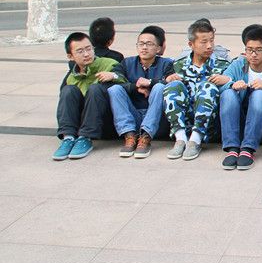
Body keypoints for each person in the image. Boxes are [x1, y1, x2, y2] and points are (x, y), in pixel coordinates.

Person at [163, 19, 230, 161]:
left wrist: (228, 80)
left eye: (211, 41)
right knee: (173, 85)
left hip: (210, 126)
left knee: (208, 86)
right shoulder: (177, 66)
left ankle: (195, 140)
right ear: (191, 44)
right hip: (184, 121)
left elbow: (234, 87)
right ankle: (180, 139)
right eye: (204, 42)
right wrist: (168, 79)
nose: (209, 46)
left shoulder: (223, 65)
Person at [53, 32, 126, 160]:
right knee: (68, 90)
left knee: (95, 89)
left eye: (89, 49)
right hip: (82, 122)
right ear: (70, 56)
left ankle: (85, 138)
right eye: (80, 51)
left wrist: (113, 76)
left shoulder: (109, 64)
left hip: (106, 120)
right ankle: (68, 137)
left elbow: (125, 82)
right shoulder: (71, 77)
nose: (86, 54)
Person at [107, 26, 173, 158]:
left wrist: (150, 83)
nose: (144, 47)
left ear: (158, 49)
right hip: (134, 116)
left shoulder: (167, 64)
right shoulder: (127, 63)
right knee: (114, 89)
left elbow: (172, 82)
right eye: (141, 44)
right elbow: (116, 78)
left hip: (157, 119)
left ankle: (146, 136)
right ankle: (129, 135)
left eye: (149, 44)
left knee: (159, 87)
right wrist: (135, 87)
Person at [219, 26, 262, 170]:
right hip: (238, 123)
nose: (253, 54)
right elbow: (222, 84)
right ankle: (232, 148)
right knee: (228, 93)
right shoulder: (238, 65)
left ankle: (248, 148)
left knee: (259, 94)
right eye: (249, 50)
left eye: (258, 50)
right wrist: (233, 84)